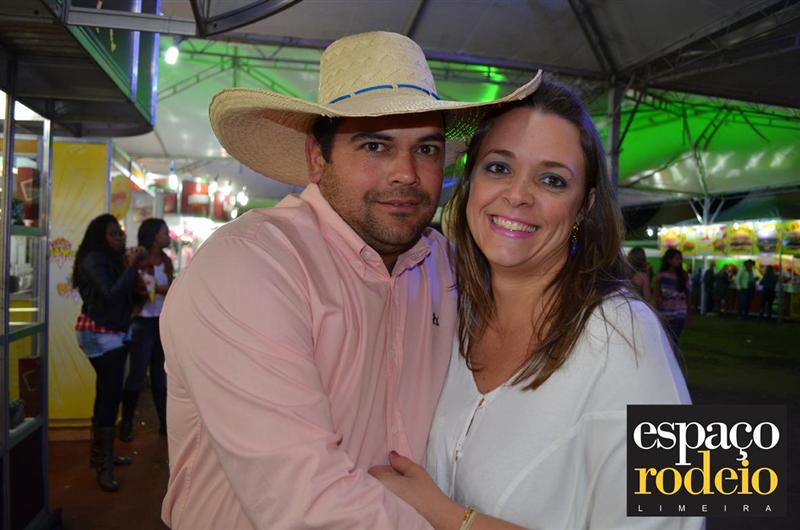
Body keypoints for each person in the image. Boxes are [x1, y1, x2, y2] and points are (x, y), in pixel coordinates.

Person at [159, 31, 542, 529]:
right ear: (317, 159)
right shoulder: (251, 264)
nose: (407, 173)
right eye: (375, 145)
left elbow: (654, 489)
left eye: (427, 149)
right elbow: (306, 503)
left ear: (589, 204)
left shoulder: (603, 323)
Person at [368, 82, 701, 529]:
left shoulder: (628, 333)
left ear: (584, 206)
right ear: (470, 182)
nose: (518, 194)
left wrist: (447, 516)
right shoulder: (450, 313)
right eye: (499, 167)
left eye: (552, 180)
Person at [72, 214, 146, 492]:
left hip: (113, 331)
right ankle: (104, 467)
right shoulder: (93, 259)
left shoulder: (110, 260)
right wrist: (132, 265)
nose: (119, 238)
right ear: (99, 236)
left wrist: (130, 266)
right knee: (110, 394)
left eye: (120, 233)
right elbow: (111, 294)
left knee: (106, 393)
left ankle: (101, 458)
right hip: (100, 333)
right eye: (113, 233)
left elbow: (128, 295)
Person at [119, 218, 173, 442]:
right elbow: (127, 287)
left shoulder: (166, 261)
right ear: (154, 236)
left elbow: (170, 288)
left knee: (160, 375)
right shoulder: (136, 259)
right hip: (141, 322)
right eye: (164, 232)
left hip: (161, 321)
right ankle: (126, 423)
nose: (168, 236)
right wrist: (149, 290)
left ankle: (165, 425)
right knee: (137, 374)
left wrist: (161, 289)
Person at [655, 248, 691, 340]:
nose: (679, 261)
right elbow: (658, 295)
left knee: (674, 338)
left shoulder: (683, 276)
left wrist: (689, 311)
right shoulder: (661, 276)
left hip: (680, 312)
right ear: (669, 260)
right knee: (667, 339)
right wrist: (658, 310)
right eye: (677, 258)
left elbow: (688, 294)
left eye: (680, 259)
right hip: (666, 311)